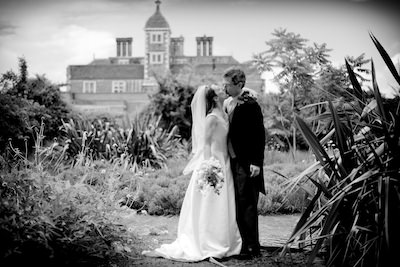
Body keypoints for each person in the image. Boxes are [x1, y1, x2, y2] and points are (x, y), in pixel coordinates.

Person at [142, 84, 242, 262]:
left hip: (225, 162)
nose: (222, 88)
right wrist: (210, 166)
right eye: (218, 88)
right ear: (213, 98)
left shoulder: (225, 112)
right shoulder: (211, 118)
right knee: (210, 203)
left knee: (224, 202)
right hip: (213, 164)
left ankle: (225, 240)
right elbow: (205, 144)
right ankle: (208, 240)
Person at [222, 67, 266, 259]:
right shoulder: (227, 103)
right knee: (237, 203)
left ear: (239, 84)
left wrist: (256, 162)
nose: (224, 87)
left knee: (247, 203)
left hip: (247, 162)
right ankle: (241, 243)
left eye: (228, 84)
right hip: (231, 160)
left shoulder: (251, 105)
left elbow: (259, 135)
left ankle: (252, 247)